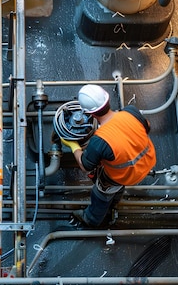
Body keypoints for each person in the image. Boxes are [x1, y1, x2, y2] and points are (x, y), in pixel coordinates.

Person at [61, 84, 156, 227]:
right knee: (117, 189)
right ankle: (115, 202)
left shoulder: (100, 141)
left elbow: (85, 165)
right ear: (107, 101)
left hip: (125, 175)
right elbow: (146, 125)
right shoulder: (130, 112)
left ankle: (91, 219)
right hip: (147, 162)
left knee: (101, 194)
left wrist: (73, 145)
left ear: (90, 114)